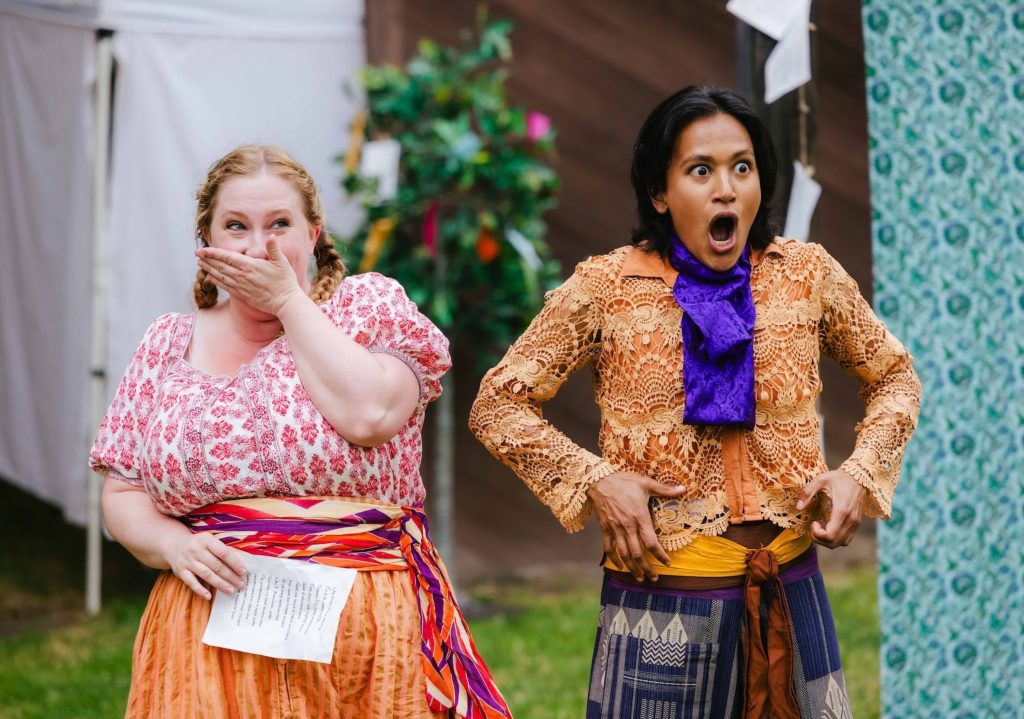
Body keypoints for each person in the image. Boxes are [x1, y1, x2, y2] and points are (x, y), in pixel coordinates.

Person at [470, 86, 921, 718]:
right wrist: (597, 481)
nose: (726, 190)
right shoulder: (607, 288)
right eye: (700, 170)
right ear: (660, 191)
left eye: (743, 167)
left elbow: (896, 376)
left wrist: (859, 473)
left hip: (791, 599)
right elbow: (498, 403)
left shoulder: (806, 274)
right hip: (660, 609)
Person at [92, 145, 510, 719]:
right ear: (206, 240)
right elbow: (122, 490)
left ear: (313, 234)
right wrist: (174, 545)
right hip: (209, 626)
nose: (257, 245)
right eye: (235, 226)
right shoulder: (166, 343)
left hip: (361, 623)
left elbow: (372, 416)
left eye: (279, 224)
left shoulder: (367, 308)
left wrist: (289, 300)